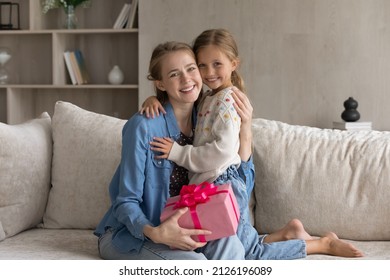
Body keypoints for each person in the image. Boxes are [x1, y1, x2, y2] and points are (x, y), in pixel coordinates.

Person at [146, 28, 364, 259]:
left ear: (234, 64)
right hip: (210, 185)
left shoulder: (229, 100)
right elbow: (179, 96)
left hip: (224, 184)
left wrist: (177, 152)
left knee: (249, 254)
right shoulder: (208, 97)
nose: (209, 72)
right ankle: (289, 233)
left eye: (217, 64)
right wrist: (154, 98)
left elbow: (222, 152)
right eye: (202, 65)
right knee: (228, 243)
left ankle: (323, 244)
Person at [94, 41, 260, 260]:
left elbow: (240, 186)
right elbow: (125, 201)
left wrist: (245, 129)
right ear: (161, 84)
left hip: (183, 227)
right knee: (195, 264)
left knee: (233, 246)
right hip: (132, 235)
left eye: (191, 68)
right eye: (174, 74)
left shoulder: (205, 119)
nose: (186, 79)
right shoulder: (143, 126)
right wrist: (156, 233)